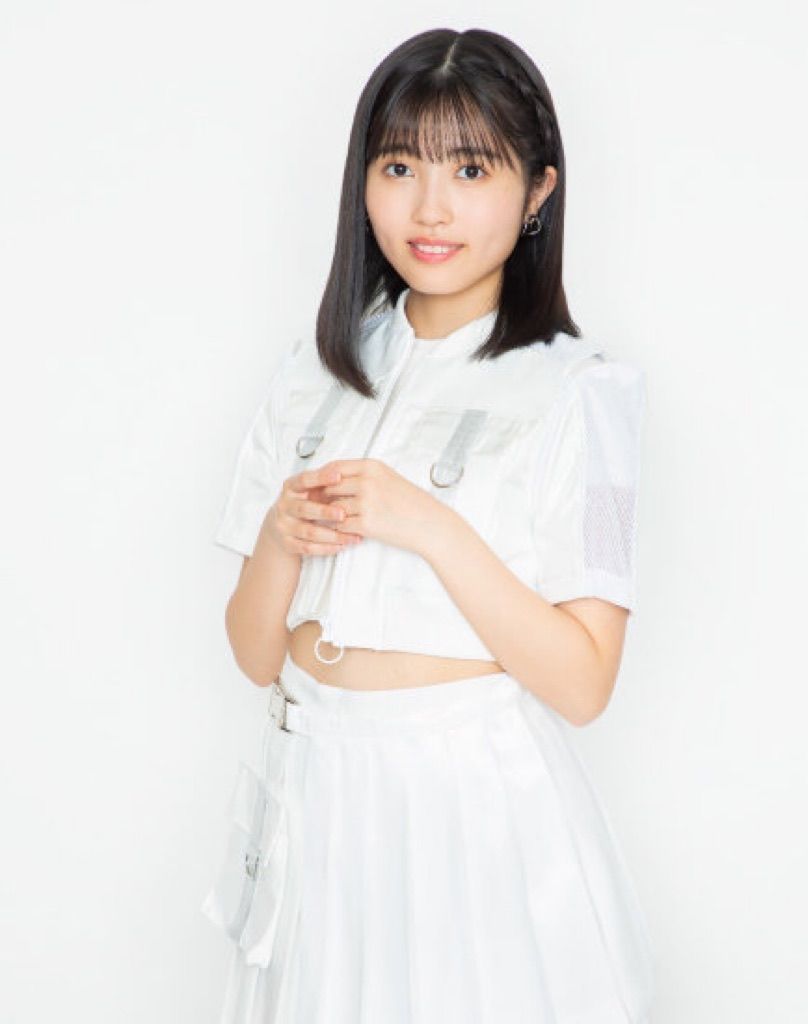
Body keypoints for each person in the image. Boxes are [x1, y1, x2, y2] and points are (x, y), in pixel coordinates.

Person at [203, 26, 655, 1024]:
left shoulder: (583, 394)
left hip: (465, 802)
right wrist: (278, 538)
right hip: (311, 786)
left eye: (470, 168)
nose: (429, 208)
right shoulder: (313, 371)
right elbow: (252, 652)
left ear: (537, 191)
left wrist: (430, 526)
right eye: (399, 166)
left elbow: (584, 682)